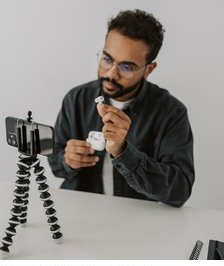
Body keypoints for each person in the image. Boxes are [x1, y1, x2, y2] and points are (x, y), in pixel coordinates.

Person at [48, 9, 194, 207]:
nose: (111, 74)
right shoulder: (76, 99)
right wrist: (67, 160)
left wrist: (123, 151)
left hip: (136, 221)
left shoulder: (170, 113)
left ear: (148, 70)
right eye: (107, 59)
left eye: (126, 67)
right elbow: (56, 164)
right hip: (79, 213)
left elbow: (179, 191)